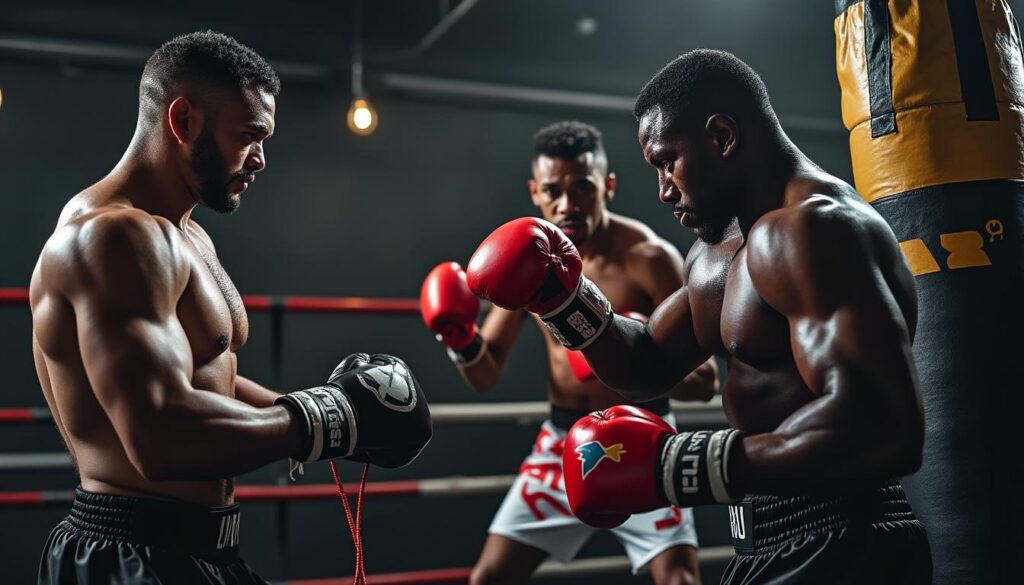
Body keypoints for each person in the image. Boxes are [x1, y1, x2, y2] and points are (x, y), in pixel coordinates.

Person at [465, 51, 932, 583]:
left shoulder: (814, 229)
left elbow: (884, 426)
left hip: (847, 544)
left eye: (668, 161)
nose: (664, 188)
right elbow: (647, 361)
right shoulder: (715, 252)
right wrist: (564, 302)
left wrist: (677, 465)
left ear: (722, 137)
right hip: (763, 543)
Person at [29, 31, 431, 585]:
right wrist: (323, 420)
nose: (261, 159)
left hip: (197, 548)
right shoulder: (113, 238)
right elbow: (160, 438)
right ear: (184, 120)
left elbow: (201, 379)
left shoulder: (187, 238)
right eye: (248, 135)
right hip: (131, 555)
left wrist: (341, 416)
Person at [420, 121, 717, 585]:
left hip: (642, 434)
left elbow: (706, 383)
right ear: (535, 192)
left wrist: (630, 349)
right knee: (487, 579)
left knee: (679, 579)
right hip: (560, 441)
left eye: (582, 187)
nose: (567, 204)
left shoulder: (648, 258)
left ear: (608, 186)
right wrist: (459, 337)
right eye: (553, 191)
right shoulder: (528, 261)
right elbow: (485, 375)